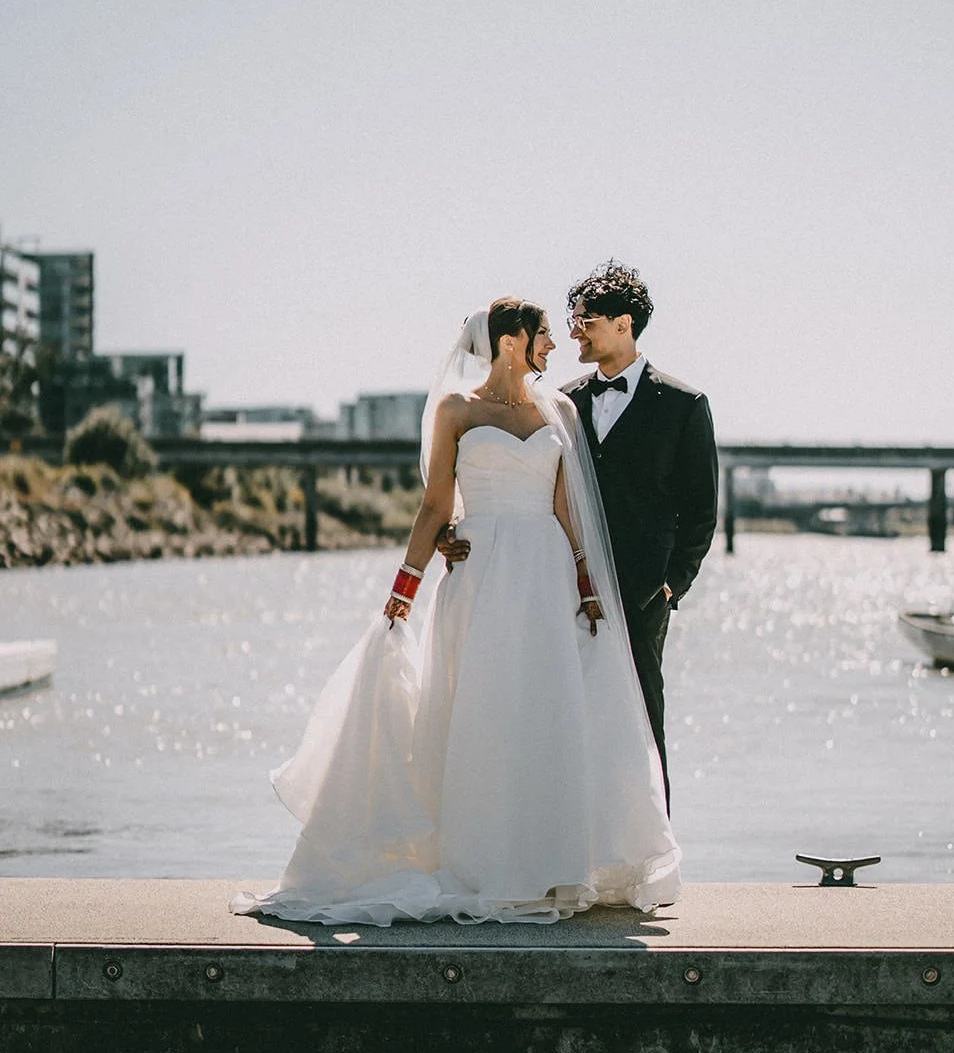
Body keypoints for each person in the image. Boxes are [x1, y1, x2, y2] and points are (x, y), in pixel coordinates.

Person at [232, 298, 680, 926]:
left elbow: (565, 506)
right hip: (482, 571)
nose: (553, 345)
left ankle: (549, 863)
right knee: (481, 708)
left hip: (546, 574)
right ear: (510, 342)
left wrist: (584, 579)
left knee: (545, 709)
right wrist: (404, 585)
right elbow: (435, 503)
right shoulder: (456, 411)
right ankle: (480, 859)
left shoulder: (563, 412)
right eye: (544, 334)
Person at [562, 262, 718, 809]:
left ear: (623, 324)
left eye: (585, 320)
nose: (574, 331)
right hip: (566, 585)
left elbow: (701, 509)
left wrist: (672, 585)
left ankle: (653, 851)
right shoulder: (563, 404)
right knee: (570, 714)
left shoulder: (683, 405)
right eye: (573, 320)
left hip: (644, 590)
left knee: (644, 715)